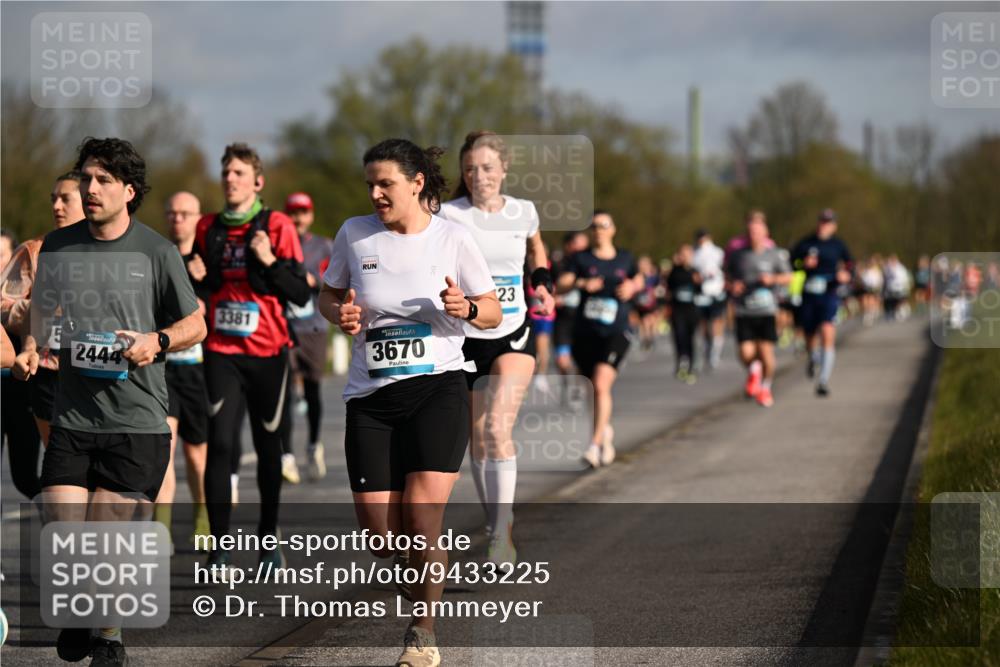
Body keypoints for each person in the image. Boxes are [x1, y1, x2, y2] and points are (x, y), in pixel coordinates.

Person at [13, 137, 205, 666]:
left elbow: (197, 322)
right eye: (86, 179)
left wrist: (157, 341)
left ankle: (109, 637)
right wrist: (31, 347)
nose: (89, 189)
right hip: (72, 418)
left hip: (137, 423)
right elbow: (42, 312)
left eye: (102, 181)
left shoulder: (157, 253)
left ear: (129, 190)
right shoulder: (58, 246)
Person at [318, 138, 500, 667]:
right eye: (370, 184)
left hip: (437, 389)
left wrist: (465, 306)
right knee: (379, 534)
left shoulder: (454, 238)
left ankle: (422, 631)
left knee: (422, 520)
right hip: (371, 398)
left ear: (417, 183)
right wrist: (340, 315)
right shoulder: (355, 234)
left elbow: (491, 311)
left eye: (386, 184)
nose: (375, 193)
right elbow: (329, 295)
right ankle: (420, 580)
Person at [438, 130, 554, 569]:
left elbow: (536, 251)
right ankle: (496, 527)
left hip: (514, 332)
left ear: (504, 169)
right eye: (470, 169)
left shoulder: (523, 211)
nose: (478, 176)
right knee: (479, 439)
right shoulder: (448, 214)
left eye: (487, 168)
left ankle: (501, 535)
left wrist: (541, 286)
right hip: (466, 335)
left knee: (497, 430)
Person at [193, 143, 310, 572]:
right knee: (220, 444)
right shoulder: (208, 227)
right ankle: (219, 547)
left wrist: (269, 259)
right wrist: (195, 278)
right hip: (222, 350)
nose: (230, 179)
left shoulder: (276, 225)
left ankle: (268, 539)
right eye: (226, 172)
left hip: (268, 351)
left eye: (239, 173)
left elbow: (299, 293)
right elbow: (200, 293)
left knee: (268, 447)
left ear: (257, 182)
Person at [1, 172, 85, 499]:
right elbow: (3, 303)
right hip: (48, 372)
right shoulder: (35, 250)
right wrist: (30, 310)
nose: (57, 205)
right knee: (60, 467)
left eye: (66, 198)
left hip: (97, 372)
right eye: (53, 198)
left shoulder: (110, 252)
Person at [556, 210, 644, 468]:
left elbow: (638, 278)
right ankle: (604, 431)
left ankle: (593, 445)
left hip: (617, 331)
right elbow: (561, 283)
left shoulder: (625, 258)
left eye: (604, 225)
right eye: (594, 226)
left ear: (613, 229)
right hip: (585, 333)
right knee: (592, 389)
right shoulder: (580, 259)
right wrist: (581, 284)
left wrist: (633, 287)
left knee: (601, 383)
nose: (599, 230)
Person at [160, 191, 213, 544]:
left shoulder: (208, 258)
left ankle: (203, 515)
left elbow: (218, 309)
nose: (178, 219)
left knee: (197, 458)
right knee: (164, 447)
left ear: (198, 217)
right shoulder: (158, 257)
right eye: (172, 213)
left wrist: (206, 281)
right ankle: (160, 528)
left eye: (185, 213)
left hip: (200, 370)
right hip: (164, 369)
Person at [283, 191, 334, 482]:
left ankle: (314, 443)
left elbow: (336, 281)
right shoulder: (280, 245)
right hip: (287, 327)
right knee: (287, 392)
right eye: (292, 212)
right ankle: (286, 455)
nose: (297, 218)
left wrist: (314, 281)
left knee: (313, 391)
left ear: (310, 215)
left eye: (302, 212)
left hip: (314, 326)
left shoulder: (324, 246)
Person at [725, 215, 792, 407]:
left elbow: (789, 277)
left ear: (765, 233)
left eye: (757, 232)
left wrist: (772, 280)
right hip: (744, 311)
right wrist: (732, 286)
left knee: (765, 352)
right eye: (750, 232)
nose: (753, 235)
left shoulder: (775, 254)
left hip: (767, 311)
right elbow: (726, 277)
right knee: (746, 353)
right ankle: (754, 370)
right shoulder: (738, 256)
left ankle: (766, 388)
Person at [791, 209, 854, 397]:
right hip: (809, 294)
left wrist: (846, 275)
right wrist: (803, 263)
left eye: (828, 222)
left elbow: (851, 264)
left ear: (834, 226)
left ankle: (823, 380)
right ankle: (813, 357)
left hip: (829, 293)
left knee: (827, 331)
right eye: (822, 221)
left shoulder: (838, 245)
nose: (824, 225)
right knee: (810, 336)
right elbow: (791, 262)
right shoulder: (805, 243)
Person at [552, 230, 588, 406]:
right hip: (562, 319)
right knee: (562, 360)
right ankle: (568, 383)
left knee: (581, 358)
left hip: (582, 319)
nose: (582, 248)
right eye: (578, 244)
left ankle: (578, 387)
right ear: (569, 245)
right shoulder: (558, 264)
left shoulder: (589, 264)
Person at [665, 244, 701, 383]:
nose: (685, 257)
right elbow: (669, 286)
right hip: (677, 310)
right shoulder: (675, 271)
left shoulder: (695, 271)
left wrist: (698, 282)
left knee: (690, 338)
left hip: (691, 310)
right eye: (682, 254)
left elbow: (700, 290)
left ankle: (692, 365)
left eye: (688, 254)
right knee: (679, 336)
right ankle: (681, 362)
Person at [692, 229, 726, 370]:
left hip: (717, 291)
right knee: (704, 324)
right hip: (702, 293)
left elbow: (725, 268)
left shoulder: (718, 252)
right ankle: (707, 348)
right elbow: (693, 272)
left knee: (717, 321)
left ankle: (715, 351)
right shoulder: (695, 253)